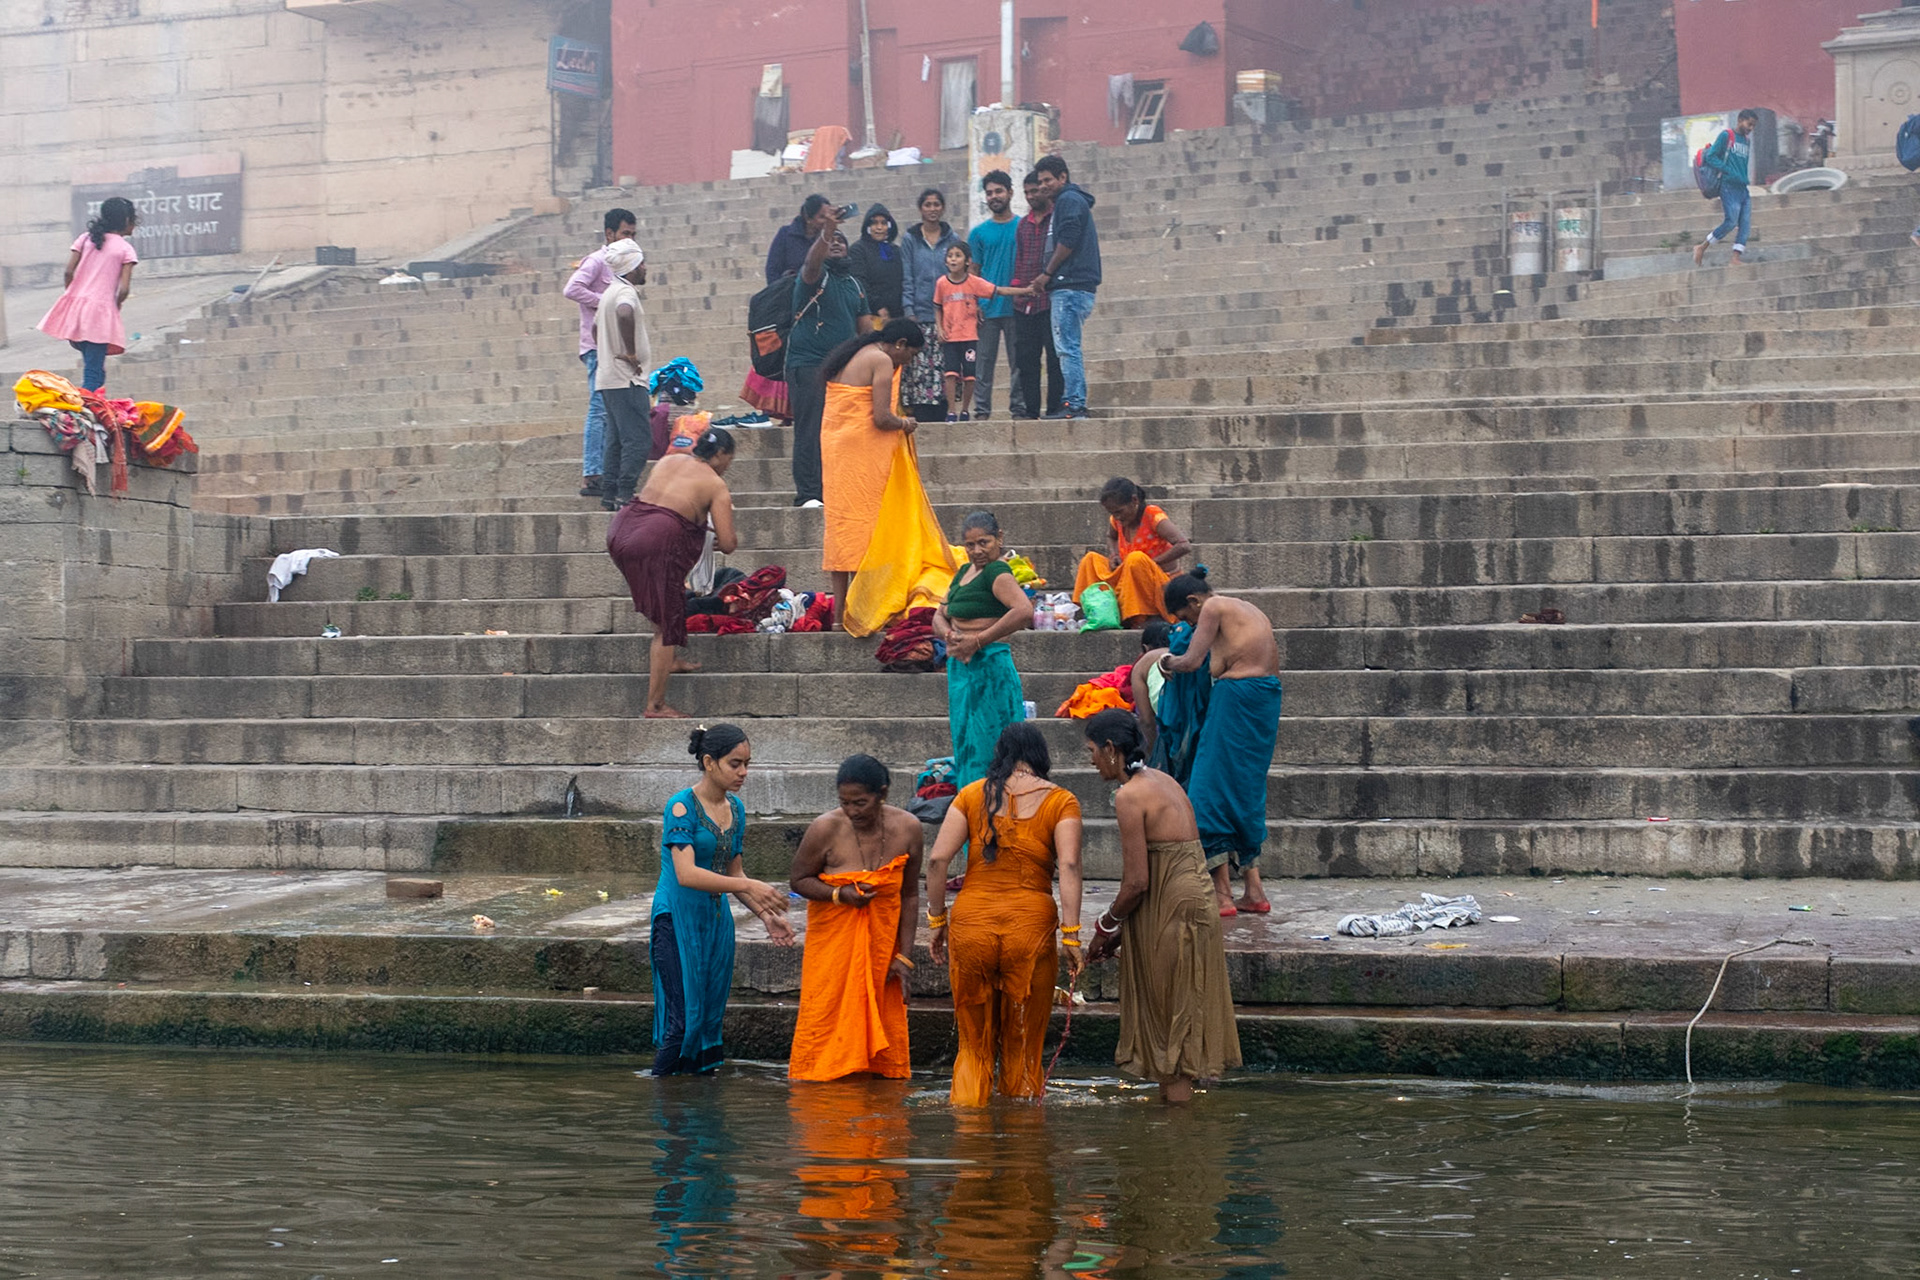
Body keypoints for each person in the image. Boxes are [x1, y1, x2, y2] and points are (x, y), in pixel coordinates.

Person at [1082, 709, 1241, 1103]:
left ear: (1110, 749)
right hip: (1192, 900)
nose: (1090, 761)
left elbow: (1137, 882)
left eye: (1091, 751)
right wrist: (1121, 930)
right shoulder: (1162, 779)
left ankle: (1176, 1136)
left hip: (1172, 904)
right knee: (1185, 1008)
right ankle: (1186, 1124)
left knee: (1174, 1019)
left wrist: (1105, 925)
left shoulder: (1129, 796)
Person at [924, 723, 1085, 1106]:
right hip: (1029, 933)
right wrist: (1072, 936)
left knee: (974, 1048)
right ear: (1041, 757)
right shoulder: (1062, 801)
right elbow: (1070, 866)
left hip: (971, 927)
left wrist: (936, 922)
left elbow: (937, 860)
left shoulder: (970, 795)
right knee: (1023, 1048)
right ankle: (1022, 1149)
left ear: (1001, 755)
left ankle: (971, 1148)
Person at [650, 723, 795, 1076]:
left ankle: (696, 1105)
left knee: (708, 1020)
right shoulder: (681, 807)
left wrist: (765, 915)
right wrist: (753, 887)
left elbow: (735, 874)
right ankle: (661, 1103)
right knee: (683, 1021)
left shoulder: (737, 809)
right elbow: (686, 874)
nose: (743, 772)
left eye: (747, 763)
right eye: (735, 764)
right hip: (676, 921)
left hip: (714, 923)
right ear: (710, 762)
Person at [787, 753, 925, 1082]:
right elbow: (798, 881)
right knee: (823, 1032)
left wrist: (904, 957)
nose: (852, 811)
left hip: (882, 953)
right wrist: (839, 895)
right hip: (833, 954)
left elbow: (909, 894)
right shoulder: (825, 828)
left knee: (881, 1057)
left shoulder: (908, 828)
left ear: (883, 793)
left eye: (860, 802)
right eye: (845, 803)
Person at [818, 321, 955, 634]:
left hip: (837, 447)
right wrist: (904, 423)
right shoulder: (880, 359)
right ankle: (864, 612)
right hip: (860, 451)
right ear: (900, 343)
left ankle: (841, 617)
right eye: (911, 355)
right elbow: (881, 418)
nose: (908, 362)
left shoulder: (858, 351)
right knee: (867, 533)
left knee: (842, 533)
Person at [1160, 567, 1282, 916]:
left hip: (1237, 697)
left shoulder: (1212, 608)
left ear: (1194, 601)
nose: (1191, 625)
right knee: (1244, 790)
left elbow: (1191, 661)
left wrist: (1166, 661)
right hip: (1266, 698)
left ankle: (1223, 895)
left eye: (1187, 619)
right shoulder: (1247, 608)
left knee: (1206, 791)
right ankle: (1254, 892)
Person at [606, 427, 738, 718]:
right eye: (728, 459)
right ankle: (655, 706)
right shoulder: (716, 485)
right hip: (654, 541)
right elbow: (728, 543)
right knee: (667, 624)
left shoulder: (669, 460)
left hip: (621, 529)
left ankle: (669, 659)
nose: (728, 466)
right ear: (718, 455)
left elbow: (661, 501)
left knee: (668, 604)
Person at [932, 511, 1035, 787]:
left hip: (989, 667)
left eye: (984, 542)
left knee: (991, 741)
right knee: (965, 740)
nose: (977, 551)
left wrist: (977, 641)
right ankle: (972, 807)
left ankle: (995, 807)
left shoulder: (997, 572)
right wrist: (950, 635)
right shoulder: (964, 573)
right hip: (961, 669)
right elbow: (938, 615)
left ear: (999, 539)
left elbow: (1024, 611)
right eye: (970, 545)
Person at [786, 213, 871, 508]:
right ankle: (808, 493)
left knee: (841, 430)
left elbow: (866, 330)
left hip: (842, 369)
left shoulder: (855, 284)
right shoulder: (813, 276)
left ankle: (835, 487)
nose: (836, 244)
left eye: (841, 241)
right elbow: (811, 263)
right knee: (810, 429)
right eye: (831, 241)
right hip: (808, 363)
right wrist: (828, 230)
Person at [563, 206, 637, 499]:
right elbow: (572, 289)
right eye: (624, 233)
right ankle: (592, 473)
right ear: (609, 234)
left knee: (612, 411)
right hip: (596, 347)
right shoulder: (596, 261)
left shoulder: (625, 264)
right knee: (599, 409)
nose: (629, 239)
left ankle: (607, 471)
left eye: (633, 234)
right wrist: (603, 301)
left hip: (615, 347)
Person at [742, 194, 834, 422]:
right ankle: (786, 413)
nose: (825, 220)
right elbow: (772, 270)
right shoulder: (786, 235)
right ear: (808, 217)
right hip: (787, 308)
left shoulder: (829, 239)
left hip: (817, 308)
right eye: (821, 216)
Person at [38, 196, 139, 392]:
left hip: (76, 310)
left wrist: (73, 293)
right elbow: (124, 289)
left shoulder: (85, 238)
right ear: (127, 221)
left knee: (95, 369)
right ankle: (83, 408)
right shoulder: (126, 249)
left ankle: (90, 405)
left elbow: (68, 272)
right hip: (98, 314)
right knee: (93, 373)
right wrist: (116, 304)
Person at [1031, 155, 1101, 419]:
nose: (1043, 186)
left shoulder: (1069, 200)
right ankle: (1074, 402)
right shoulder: (1066, 201)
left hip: (1070, 285)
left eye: (1048, 180)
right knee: (1068, 346)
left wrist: (1046, 274)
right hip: (1071, 285)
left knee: (1067, 347)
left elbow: (1068, 241)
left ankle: (1074, 404)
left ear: (1063, 177)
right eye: (1040, 182)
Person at [1072, 476, 1192, 627]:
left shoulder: (1153, 516)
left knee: (1136, 559)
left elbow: (1184, 545)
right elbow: (1111, 536)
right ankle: (1095, 610)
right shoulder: (1117, 519)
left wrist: (1151, 563)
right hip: (1127, 577)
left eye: (1119, 511)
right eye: (1112, 513)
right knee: (1091, 560)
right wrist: (1114, 555)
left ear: (1134, 501)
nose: (1116, 517)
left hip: (1162, 585)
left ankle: (1140, 616)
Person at [933, 242, 1030, 423]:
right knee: (950, 374)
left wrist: (1026, 291)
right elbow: (937, 307)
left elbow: (998, 290)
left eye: (958, 255)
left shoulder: (973, 282)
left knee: (970, 375)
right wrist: (939, 328)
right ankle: (951, 411)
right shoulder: (941, 284)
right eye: (950, 255)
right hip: (950, 337)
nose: (953, 259)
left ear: (968, 261)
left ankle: (964, 410)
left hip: (970, 336)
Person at [593, 238, 653, 509]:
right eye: (642, 264)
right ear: (631, 267)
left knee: (616, 439)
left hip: (608, 377)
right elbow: (625, 313)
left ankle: (609, 494)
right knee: (638, 440)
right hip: (627, 379)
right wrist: (629, 352)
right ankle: (625, 495)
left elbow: (595, 328)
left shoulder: (608, 292)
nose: (646, 269)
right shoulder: (625, 294)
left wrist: (607, 351)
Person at [899, 188, 962, 421]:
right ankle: (924, 413)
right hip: (921, 311)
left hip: (948, 314)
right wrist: (909, 310)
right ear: (920, 209)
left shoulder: (952, 239)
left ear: (943, 208)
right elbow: (907, 276)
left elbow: (958, 275)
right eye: (928, 204)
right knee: (922, 368)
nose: (932, 209)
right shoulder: (910, 239)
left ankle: (947, 410)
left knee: (947, 365)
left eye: (937, 204)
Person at [1010, 171, 1066, 421]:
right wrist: (1017, 291)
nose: (1032, 196)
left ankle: (1055, 408)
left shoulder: (1058, 218)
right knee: (1027, 361)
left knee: (1055, 358)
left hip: (1052, 299)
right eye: (1028, 192)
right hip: (1025, 303)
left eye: (1036, 190)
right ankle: (1031, 411)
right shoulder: (1022, 224)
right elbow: (1020, 260)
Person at [968, 171, 1023, 420]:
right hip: (986, 309)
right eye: (989, 193)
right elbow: (973, 273)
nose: (994, 196)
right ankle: (981, 411)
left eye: (998, 191)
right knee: (983, 364)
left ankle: (1019, 408)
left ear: (1010, 193)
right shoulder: (978, 233)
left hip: (1017, 307)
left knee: (1018, 363)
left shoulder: (1023, 227)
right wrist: (975, 304)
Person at [1693, 109, 1758, 268]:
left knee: (1745, 224)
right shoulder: (1726, 136)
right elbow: (1711, 157)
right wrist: (1727, 170)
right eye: (1749, 124)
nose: (1750, 128)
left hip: (1743, 187)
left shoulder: (1747, 140)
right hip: (1729, 187)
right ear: (1740, 120)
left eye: (1753, 126)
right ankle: (1702, 247)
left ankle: (1735, 258)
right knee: (1731, 222)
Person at [847, 204, 904, 324]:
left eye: (883, 223)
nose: (879, 227)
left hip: (897, 315)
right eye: (874, 223)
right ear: (868, 226)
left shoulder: (895, 250)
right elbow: (860, 282)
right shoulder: (858, 250)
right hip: (873, 315)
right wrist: (879, 306)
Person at [1129, 619, 1174, 757]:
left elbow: (1147, 720)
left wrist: (1153, 754)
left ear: (1146, 647)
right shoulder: (1187, 654)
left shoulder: (1143, 662)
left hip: (1168, 716)